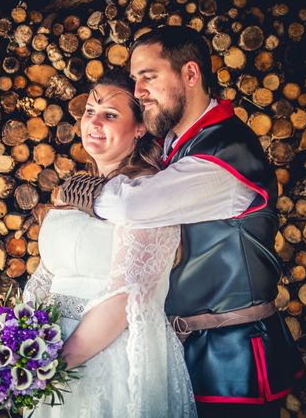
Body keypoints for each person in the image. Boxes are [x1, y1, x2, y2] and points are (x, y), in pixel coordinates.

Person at [58, 26, 304, 418]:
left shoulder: (226, 152)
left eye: (148, 77)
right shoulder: (175, 143)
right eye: (135, 79)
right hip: (183, 352)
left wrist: (78, 191)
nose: (138, 91)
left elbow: (133, 207)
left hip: (233, 356)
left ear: (190, 74)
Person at [22, 70, 196, 418]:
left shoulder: (149, 196)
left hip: (112, 358)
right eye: (89, 111)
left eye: (110, 115)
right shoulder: (73, 190)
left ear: (139, 127)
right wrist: (18, 337)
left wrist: (56, 365)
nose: (94, 122)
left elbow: (127, 297)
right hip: (48, 354)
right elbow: (46, 275)